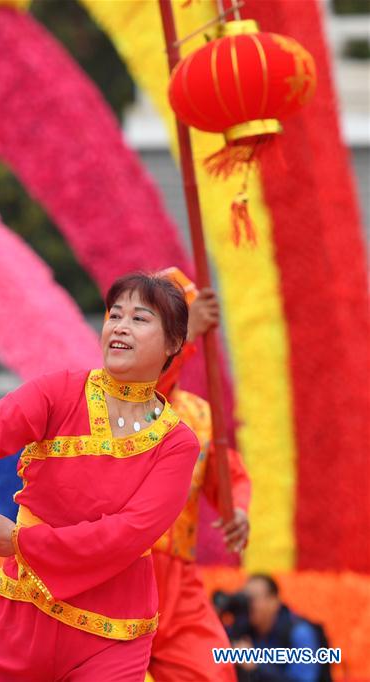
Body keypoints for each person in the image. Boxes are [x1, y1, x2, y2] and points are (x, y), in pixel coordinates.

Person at [0, 272, 200, 681]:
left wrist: (19, 542)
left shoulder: (177, 443)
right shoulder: (61, 391)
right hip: (22, 615)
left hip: (110, 636)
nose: (120, 326)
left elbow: (129, 533)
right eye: (115, 315)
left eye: (140, 318)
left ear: (173, 343)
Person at [146, 278, 252, 682]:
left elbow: (231, 477)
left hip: (178, 584)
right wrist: (188, 334)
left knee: (212, 672)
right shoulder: (112, 399)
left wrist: (237, 510)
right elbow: (144, 383)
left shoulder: (198, 415)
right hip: (119, 572)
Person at [235, 575, 328, 682]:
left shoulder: (299, 632)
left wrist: (257, 666)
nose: (248, 605)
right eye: (245, 598)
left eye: (254, 598)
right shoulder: (244, 629)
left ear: (274, 601)